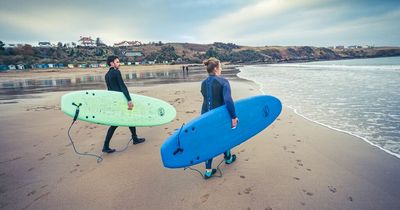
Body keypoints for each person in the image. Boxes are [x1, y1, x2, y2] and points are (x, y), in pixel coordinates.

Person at [200, 57, 238, 179]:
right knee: (224, 137)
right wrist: (233, 116)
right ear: (216, 68)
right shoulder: (223, 82)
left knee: (208, 141)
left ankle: (208, 171)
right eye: (220, 67)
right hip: (218, 117)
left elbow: (207, 98)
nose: (221, 69)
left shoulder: (203, 83)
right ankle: (227, 158)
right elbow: (228, 100)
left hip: (204, 115)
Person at [102, 55, 145, 153]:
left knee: (128, 119)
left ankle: (134, 138)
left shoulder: (107, 75)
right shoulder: (116, 72)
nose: (119, 63)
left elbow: (110, 90)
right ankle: (106, 146)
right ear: (111, 63)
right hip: (122, 100)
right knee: (117, 123)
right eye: (117, 62)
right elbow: (122, 86)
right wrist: (129, 100)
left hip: (115, 101)